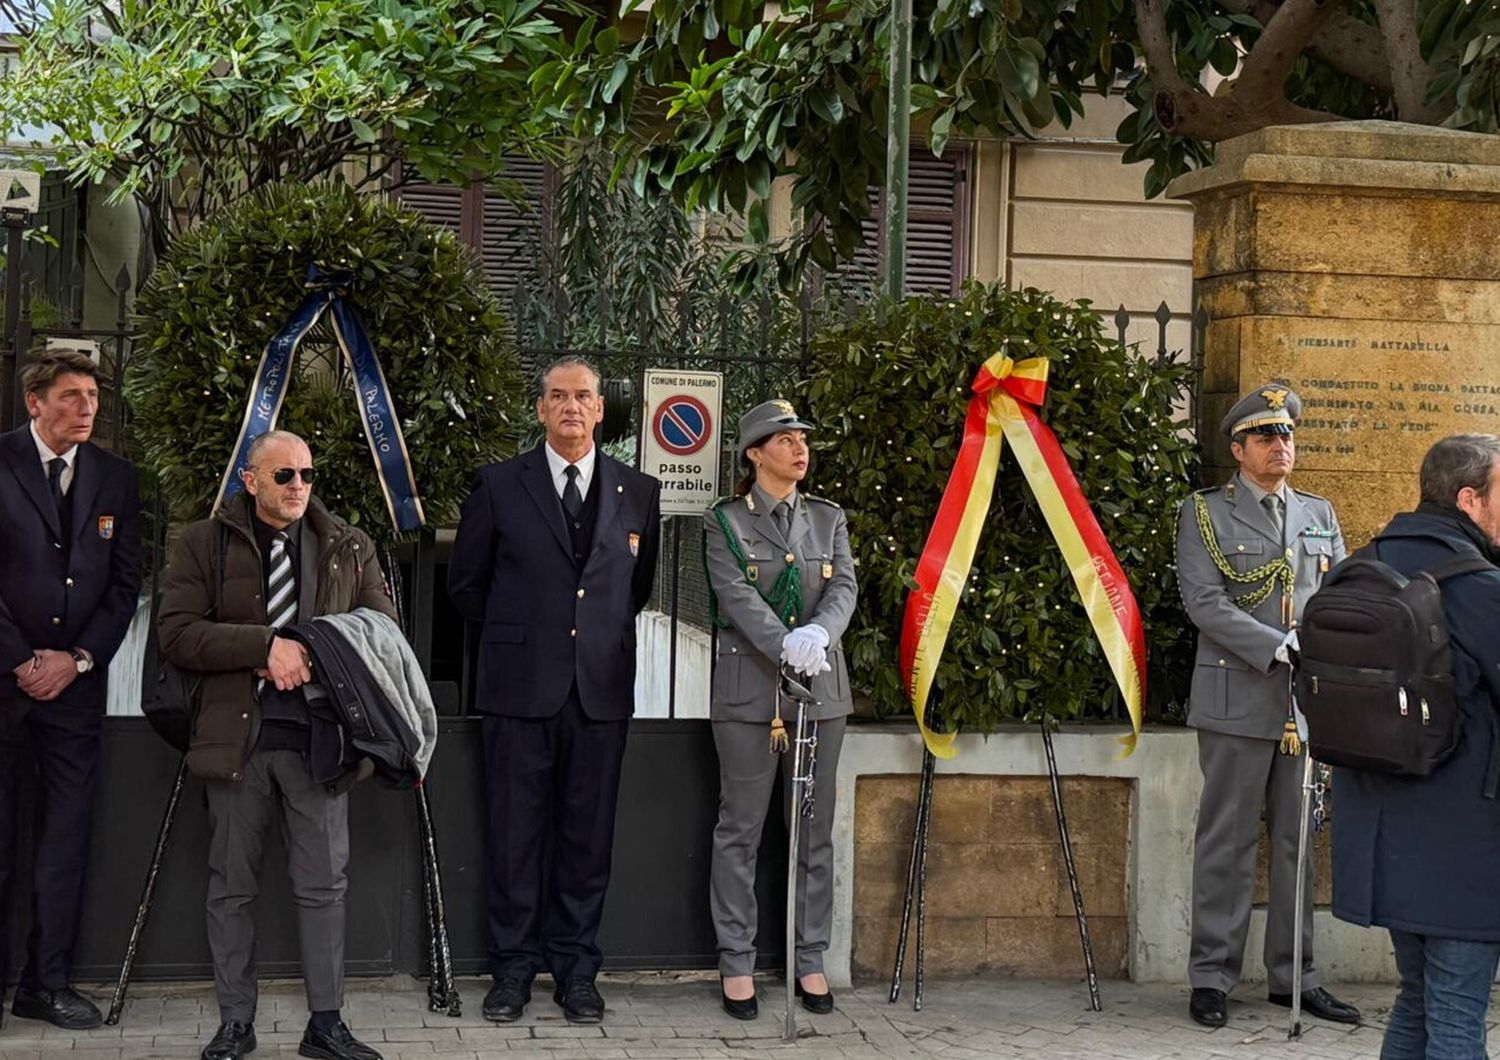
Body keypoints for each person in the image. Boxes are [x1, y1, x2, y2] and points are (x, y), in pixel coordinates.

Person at [157, 430, 395, 1060]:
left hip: (321, 744)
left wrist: (311, 651)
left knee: (325, 887)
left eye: (307, 475)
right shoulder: (202, 543)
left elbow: (381, 635)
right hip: (238, 740)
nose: (298, 487)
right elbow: (177, 633)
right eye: (284, 474)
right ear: (250, 479)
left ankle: (326, 1024)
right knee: (230, 886)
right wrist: (263, 646)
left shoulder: (347, 545)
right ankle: (236, 1021)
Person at [448, 355, 661, 1025]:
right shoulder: (498, 486)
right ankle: (511, 971)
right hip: (518, 690)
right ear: (540, 409)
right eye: (558, 396)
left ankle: (576, 970)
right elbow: (466, 585)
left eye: (585, 397)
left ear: (601, 410)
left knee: (586, 838)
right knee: (513, 837)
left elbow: (637, 587)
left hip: (598, 692)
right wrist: (527, 636)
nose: (572, 406)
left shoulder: (639, 492)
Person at [1174, 383, 1359, 1029]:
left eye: (1286, 436)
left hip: (1303, 703)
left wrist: (1326, 641)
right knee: (1225, 842)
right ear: (1238, 448)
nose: (1281, 446)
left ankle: (1295, 977)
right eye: (1266, 436)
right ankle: (1211, 978)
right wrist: (1278, 644)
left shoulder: (1319, 511)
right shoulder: (1204, 513)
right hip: (1237, 695)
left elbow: (1335, 592)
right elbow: (1203, 601)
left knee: (1296, 844)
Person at [1331, 433, 1500, 1060]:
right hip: (1463, 847)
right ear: (1470, 499)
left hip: (1381, 833)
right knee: (1456, 1016)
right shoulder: (1476, 586)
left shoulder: (1361, 564)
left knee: (1418, 1000)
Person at [0, 349, 142, 1031]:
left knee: (63, 840)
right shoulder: (0, 462)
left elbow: (123, 586)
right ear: (35, 403)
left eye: (91, 397)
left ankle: (45, 983)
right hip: (4, 683)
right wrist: (22, 658)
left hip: (76, 692)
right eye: (70, 396)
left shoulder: (116, 478)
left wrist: (78, 659)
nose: (85, 409)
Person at [702, 399, 857, 1020]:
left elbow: (843, 585)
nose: (799, 448)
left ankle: (808, 958)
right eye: (784, 438)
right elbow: (734, 593)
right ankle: (736, 962)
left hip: (820, 694)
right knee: (740, 830)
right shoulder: (726, 522)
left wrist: (818, 634)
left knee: (812, 834)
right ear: (754, 453)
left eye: (801, 438)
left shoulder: (828, 517)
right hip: (751, 694)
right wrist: (784, 642)